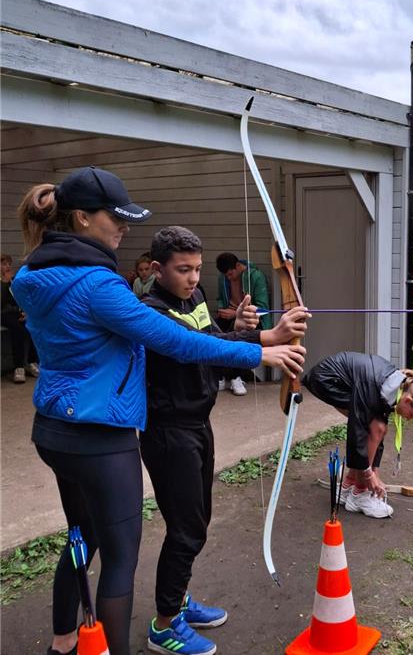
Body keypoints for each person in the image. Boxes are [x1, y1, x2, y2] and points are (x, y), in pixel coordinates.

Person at [11, 167, 305, 655]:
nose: (124, 228)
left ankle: (64, 644)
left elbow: (191, 334)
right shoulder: (97, 285)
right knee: (121, 560)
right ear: (82, 218)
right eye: (115, 218)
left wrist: (257, 336)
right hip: (101, 435)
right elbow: (173, 339)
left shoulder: (32, 274)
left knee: (82, 539)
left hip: (56, 430)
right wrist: (261, 352)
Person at [140, 226, 310, 655]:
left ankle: (176, 600)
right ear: (158, 269)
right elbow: (195, 348)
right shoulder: (150, 310)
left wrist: (242, 326)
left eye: (197, 268)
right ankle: (164, 623)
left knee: (198, 521)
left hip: (198, 424)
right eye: (183, 270)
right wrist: (265, 342)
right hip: (169, 432)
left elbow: (212, 340)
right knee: (186, 529)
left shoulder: (194, 299)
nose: (194, 278)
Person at [303, 352, 413, 519]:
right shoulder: (375, 386)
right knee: (373, 427)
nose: (409, 419)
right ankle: (359, 494)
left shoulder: (396, 388)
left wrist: (375, 471)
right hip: (325, 380)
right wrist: (368, 475)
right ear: (408, 400)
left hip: (343, 380)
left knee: (379, 427)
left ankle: (348, 485)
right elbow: (357, 431)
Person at [215, 252, 273, 395]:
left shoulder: (256, 277)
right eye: (225, 276)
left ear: (238, 266)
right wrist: (222, 309)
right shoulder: (223, 278)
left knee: (236, 336)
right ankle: (220, 375)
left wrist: (236, 314)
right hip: (230, 316)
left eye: (230, 274)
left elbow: (263, 308)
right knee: (213, 331)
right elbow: (220, 299)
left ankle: (236, 377)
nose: (228, 278)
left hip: (250, 318)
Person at [1, 253, 39, 383]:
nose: (7, 267)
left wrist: (25, 312)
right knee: (18, 329)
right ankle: (18, 367)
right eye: (3, 264)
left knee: (32, 325)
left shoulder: (13, 280)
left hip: (16, 313)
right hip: (3, 314)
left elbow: (21, 298)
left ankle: (32, 361)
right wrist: (4, 283)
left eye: (8, 264)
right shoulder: (4, 282)